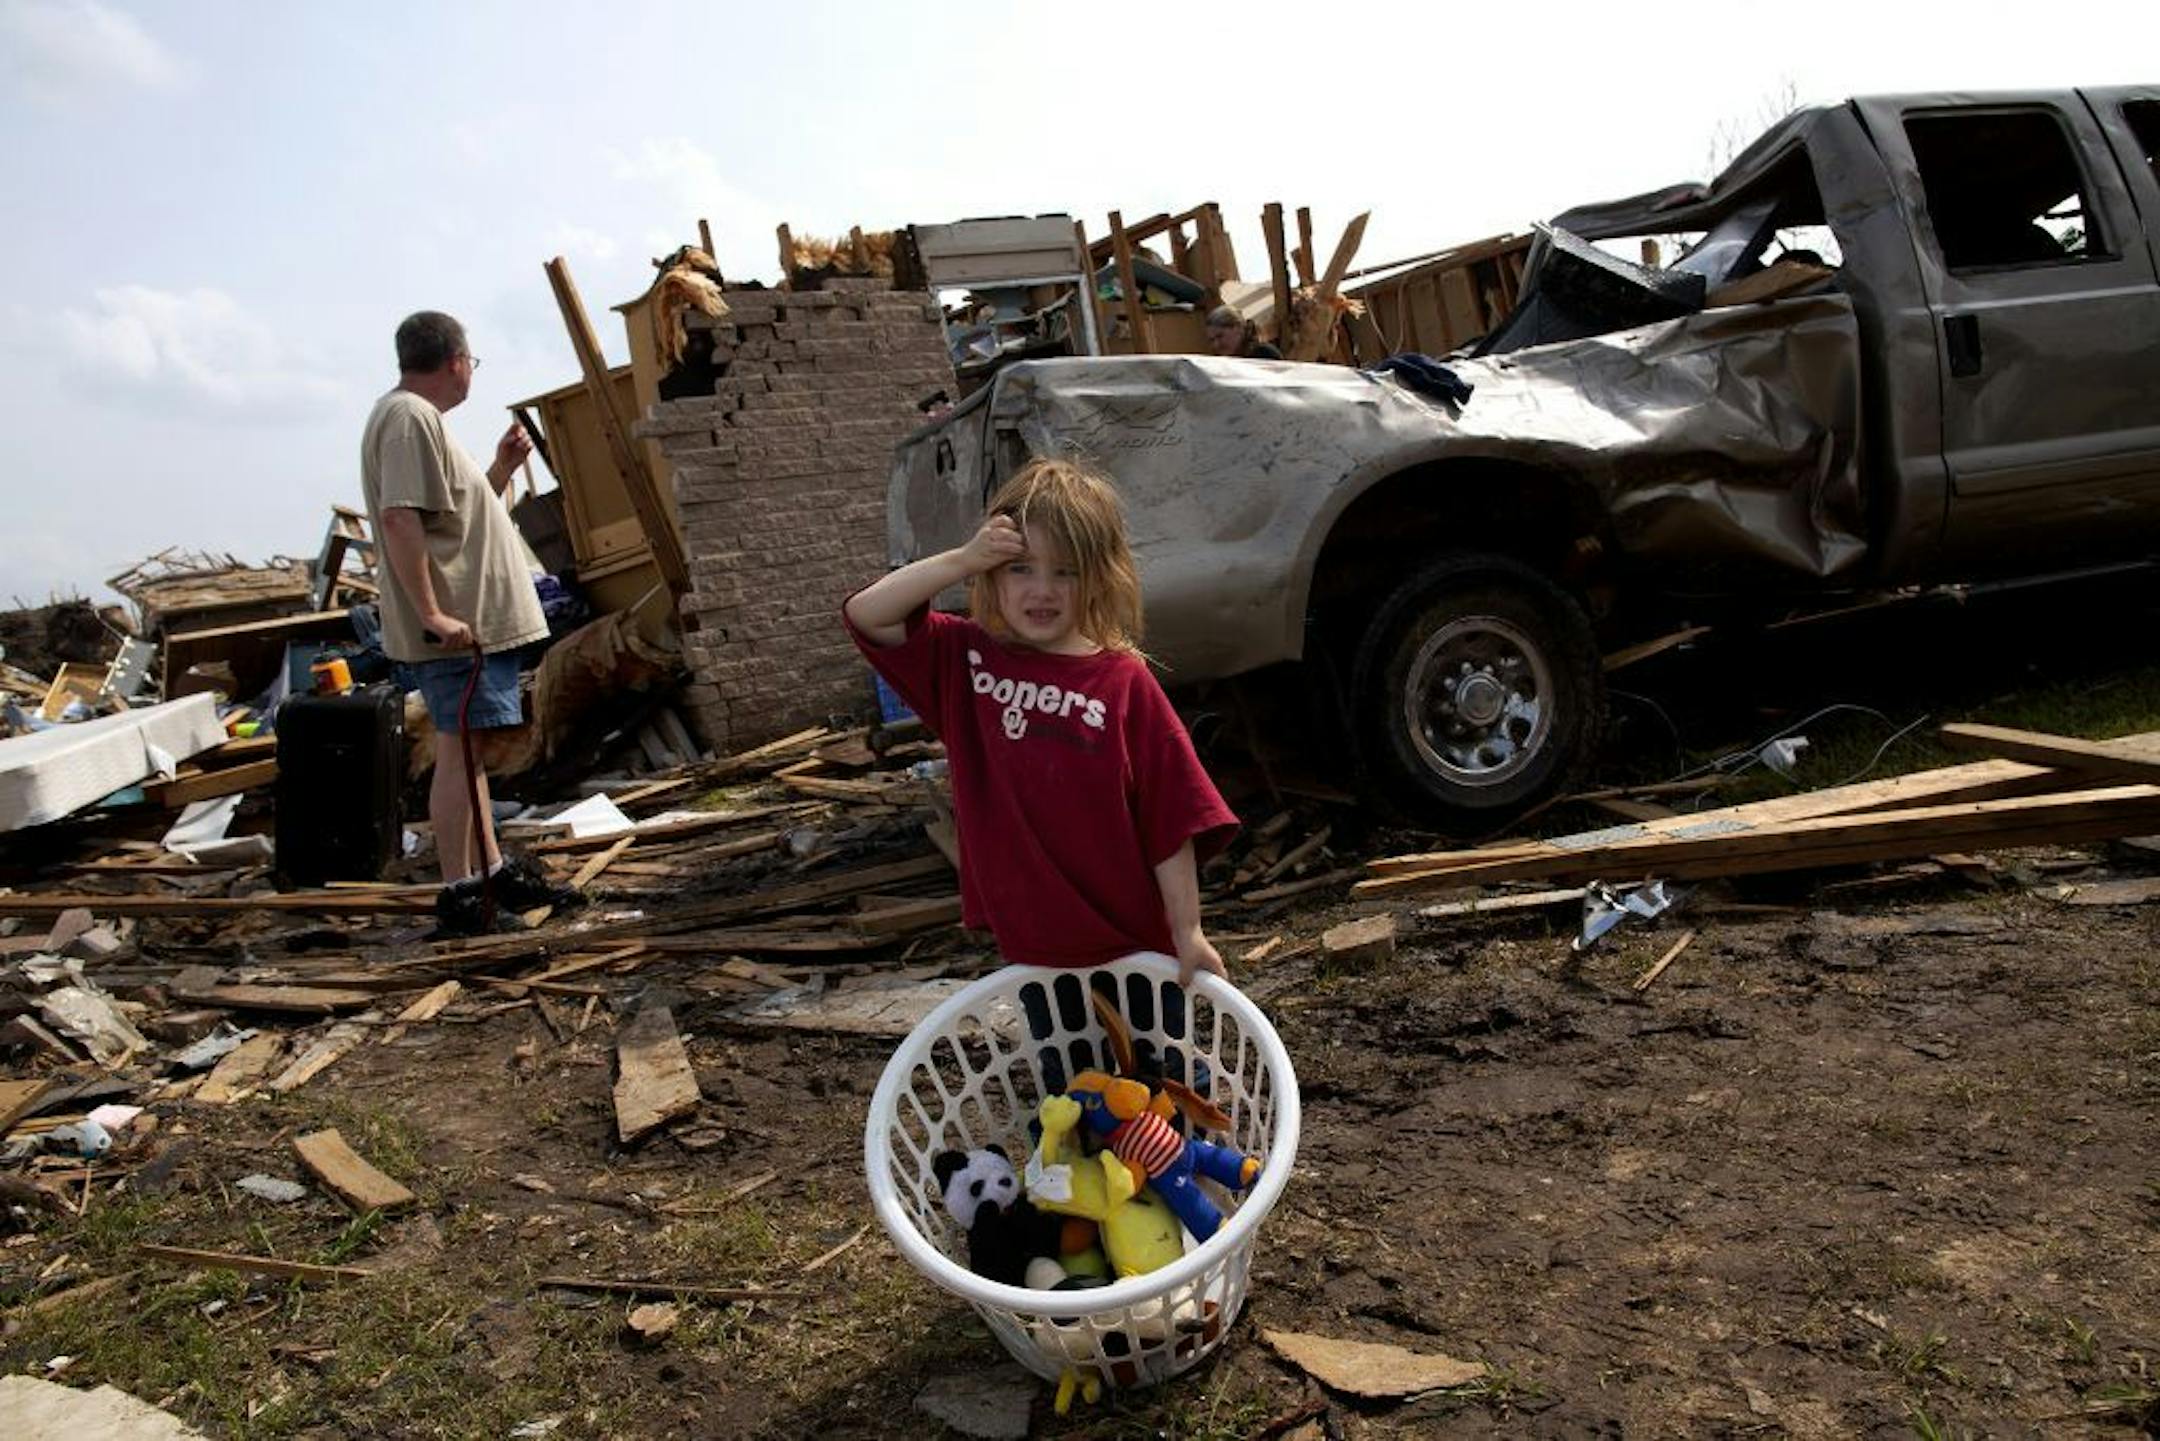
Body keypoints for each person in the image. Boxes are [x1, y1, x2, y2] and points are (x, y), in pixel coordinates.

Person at [843, 457, 1239, 988]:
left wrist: (1187, 931)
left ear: (1097, 578)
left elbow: (1172, 819)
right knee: (1068, 1072)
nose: (1041, 591)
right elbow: (868, 613)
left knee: (1153, 1070)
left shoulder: (1123, 681)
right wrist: (964, 559)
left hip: (1137, 947)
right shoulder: (965, 661)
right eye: (1020, 568)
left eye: (1065, 571)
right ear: (993, 573)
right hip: (1034, 952)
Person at [360, 310, 583, 936]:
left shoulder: (415, 421)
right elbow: (401, 519)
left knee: (472, 753)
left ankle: (489, 873)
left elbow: (448, 518)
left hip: (467, 623)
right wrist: (432, 613)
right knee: (460, 754)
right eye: (472, 363)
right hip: (457, 626)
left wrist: (502, 471)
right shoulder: (409, 419)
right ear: (456, 361)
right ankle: (461, 893)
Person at [1205, 305, 1281, 361]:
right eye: (1212, 340)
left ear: (1237, 327)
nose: (1216, 344)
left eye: (1220, 336)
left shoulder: (1265, 354)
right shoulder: (1222, 363)